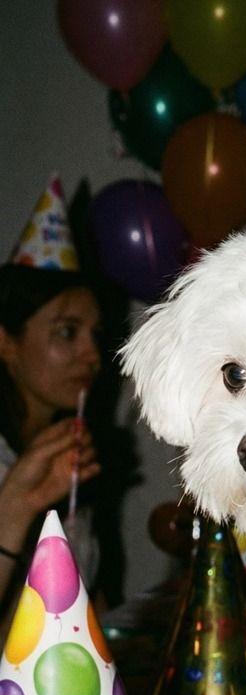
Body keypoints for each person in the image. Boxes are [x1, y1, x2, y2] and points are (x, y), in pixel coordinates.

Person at [0, 177, 107, 629]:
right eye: (67, 332)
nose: (93, 355)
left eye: (94, 336)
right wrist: (16, 508)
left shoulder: (68, 456)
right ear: (6, 343)